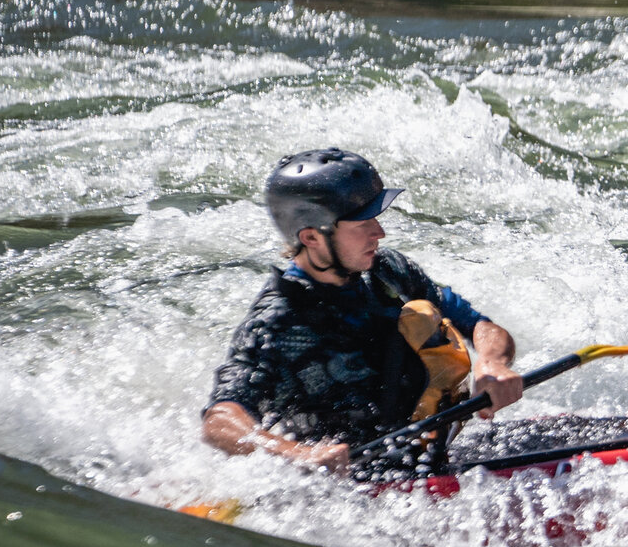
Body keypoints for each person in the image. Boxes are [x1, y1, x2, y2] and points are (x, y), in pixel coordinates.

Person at [202, 149, 524, 473]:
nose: (379, 233)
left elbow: (482, 327)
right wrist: (296, 453)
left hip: (432, 454)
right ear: (312, 236)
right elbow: (220, 419)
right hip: (353, 489)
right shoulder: (275, 324)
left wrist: (492, 363)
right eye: (362, 222)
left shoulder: (388, 272)